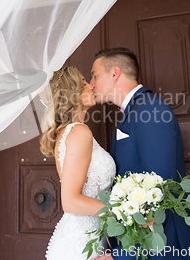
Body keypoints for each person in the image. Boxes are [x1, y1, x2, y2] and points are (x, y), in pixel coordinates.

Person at [89, 48, 190, 260]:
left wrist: (121, 257)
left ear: (115, 73)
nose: (91, 83)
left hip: (164, 247)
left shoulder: (151, 109)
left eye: (95, 75)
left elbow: (159, 192)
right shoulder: (136, 111)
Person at [42, 66, 116, 260]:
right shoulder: (79, 132)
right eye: (83, 84)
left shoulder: (69, 132)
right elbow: (70, 201)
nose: (91, 86)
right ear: (71, 94)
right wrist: (122, 215)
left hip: (89, 234)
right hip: (81, 244)